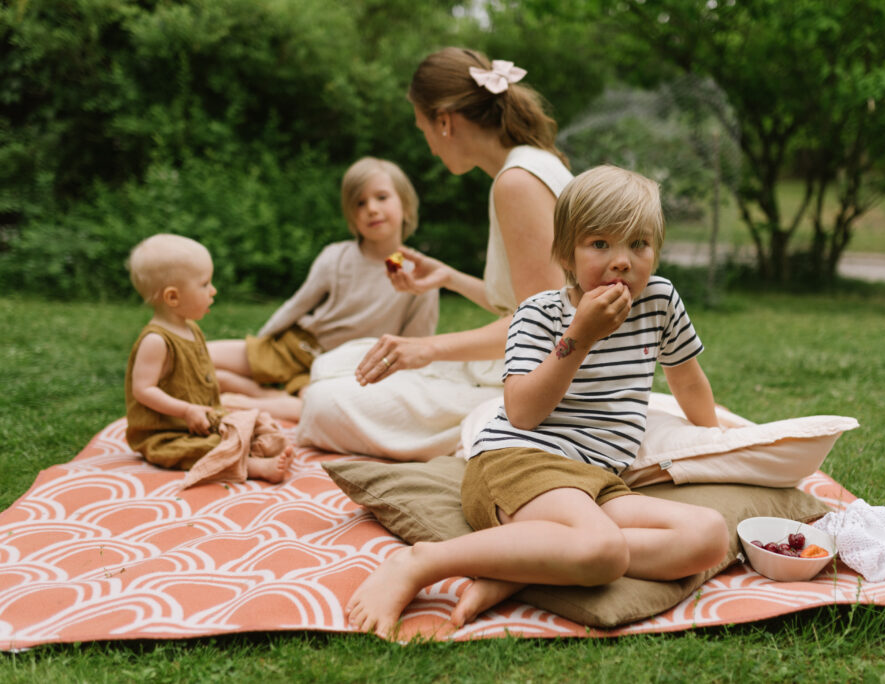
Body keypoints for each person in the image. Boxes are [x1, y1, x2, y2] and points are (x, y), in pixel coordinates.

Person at [345, 166, 729, 637]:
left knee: (707, 536)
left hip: (597, 479)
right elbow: (524, 413)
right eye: (600, 244)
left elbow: (687, 381)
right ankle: (421, 562)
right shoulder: (540, 314)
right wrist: (580, 337)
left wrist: (719, 440)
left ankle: (520, 570)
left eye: (639, 244)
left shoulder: (659, 302)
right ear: (567, 252)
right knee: (603, 552)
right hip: (520, 459)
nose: (622, 261)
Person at [296, 48, 572, 459]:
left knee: (323, 402)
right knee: (332, 365)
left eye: (422, 128)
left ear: (444, 121)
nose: (428, 145)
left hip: (540, 389)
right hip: (520, 368)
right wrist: (448, 277)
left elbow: (544, 327)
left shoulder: (518, 182)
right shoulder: (527, 166)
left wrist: (428, 348)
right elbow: (535, 302)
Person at [207, 157, 439, 423]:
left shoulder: (421, 274)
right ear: (350, 215)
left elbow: (414, 345)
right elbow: (297, 305)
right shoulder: (335, 256)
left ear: (407, 206)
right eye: (359, 203)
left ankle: (260, 398)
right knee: (200, 356)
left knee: (321, 407)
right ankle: (259, 388)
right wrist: (261, 345)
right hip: (299, 347)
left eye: (382, 197)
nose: (371, 209)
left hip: (343, 370)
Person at [125, 233, 293, 483]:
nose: (213, 291)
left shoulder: (191, 329)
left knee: (251, 420)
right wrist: (186, 410)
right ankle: (254, 466)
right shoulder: (156, 341)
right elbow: (143, 390)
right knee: (207, 449)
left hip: (201, 420)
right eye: (204, 284)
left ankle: (256, 446)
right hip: (168, 433)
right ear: (173, 297)